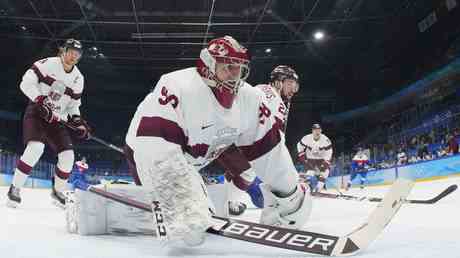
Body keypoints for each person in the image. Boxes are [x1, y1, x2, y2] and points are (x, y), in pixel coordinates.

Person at [80, 36, 310, 246]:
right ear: (209, 66)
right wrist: (185, 205)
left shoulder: (249, 98)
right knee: (189, 228)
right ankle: (128, 204)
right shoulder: (177, 86)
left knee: (288, 201)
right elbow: (156, 152)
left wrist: (288, 193)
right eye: (228, 67)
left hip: (199, 156)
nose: (234, 74)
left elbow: (267, 147)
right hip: (145, 150)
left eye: (239, 68)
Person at [6, 39, 91, 208]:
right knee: (35, 148)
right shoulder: (47, 64)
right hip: (37, 113)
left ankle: (58, 191)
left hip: (56, 119)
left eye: (77, 54)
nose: (73, 56)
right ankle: (15, 189)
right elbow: (26, 83)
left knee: (68, 157)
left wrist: (77, 121)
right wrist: (39, 100)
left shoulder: (78, 78)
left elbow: (74, 106)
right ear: (63, 51)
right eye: (71, 52)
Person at [219, 65, 300, 215]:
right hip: (237, 135)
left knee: (242, 171)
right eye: (290, 83)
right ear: (278, 82)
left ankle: (228, 202)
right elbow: (271, 133)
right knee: (248, 171)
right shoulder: (272, 96)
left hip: (227, 132)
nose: (293, 89)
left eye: (295, 86)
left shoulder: (261, 89)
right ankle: (226, 204)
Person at [297, 123, 333, 192]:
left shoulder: (326, 140)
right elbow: (299, 145)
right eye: (315, 130)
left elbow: (329, 153)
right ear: (312, 131)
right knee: (310, 173)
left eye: (319, 130)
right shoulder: (306, 138)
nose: (317, 132)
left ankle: (318, 189)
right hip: (310, 159)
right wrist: (301, 155)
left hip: (321, 159)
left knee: (325, 172)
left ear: (321, 131)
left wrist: (324, 165)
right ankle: (308, 188)